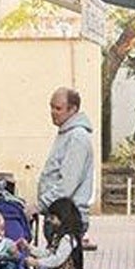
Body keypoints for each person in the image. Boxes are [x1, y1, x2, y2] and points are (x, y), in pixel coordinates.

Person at [35, 88, 95, 228]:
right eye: (51, 107)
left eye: (58, 108)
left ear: (72, 109)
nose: (53, 112)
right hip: (58, 214)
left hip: (68, 218)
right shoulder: (66, 134)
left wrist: (40, 205)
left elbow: (67, 184)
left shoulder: (77, 137)